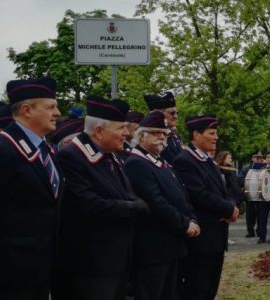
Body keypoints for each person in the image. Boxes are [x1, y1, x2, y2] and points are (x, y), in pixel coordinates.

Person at [52, 95, 149, 300]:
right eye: (120, 128)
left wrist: (132, 204)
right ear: (98, 131)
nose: (126, 133)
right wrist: (134, 208)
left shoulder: (110, 156)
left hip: (117, 260)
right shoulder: (72, 157)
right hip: (91, 265)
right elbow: (90, 205)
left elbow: (127, 194)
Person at [0, 78, 62, 300]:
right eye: (50, 107)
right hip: (8, 273)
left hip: (41, 268)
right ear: (27, 110)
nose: (57, 112)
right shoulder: (1, 148)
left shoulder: (45, 149)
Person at [124, 111, 199, 300]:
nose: (162, 138)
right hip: (153, 248)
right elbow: (155, 202)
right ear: (141, 135)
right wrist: (184, 224)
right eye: (156, 132)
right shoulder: (136, 163)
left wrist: (192, 218)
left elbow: (180, 195)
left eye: (164, 134)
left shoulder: (160, 162)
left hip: (170, 245)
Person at [174, 114, 239, 300]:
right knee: (198, 288)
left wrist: (231, 207)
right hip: (202, 238)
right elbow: (199, 194)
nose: (216, 137)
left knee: (210, 288)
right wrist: (228, 209)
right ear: (196, 134)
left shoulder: (207, 160)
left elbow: (223, 190)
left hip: (216, 236)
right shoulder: (185, 160)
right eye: (212, 133)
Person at [144, 92, 182, 163]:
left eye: (177, 113)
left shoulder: (173, 134)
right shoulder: (151, 137)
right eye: (172, 113)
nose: (176, 116)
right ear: (158, 114)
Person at [240, 152, 264, 238]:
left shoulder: (264, 167)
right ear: (252, 158)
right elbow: (240, 178)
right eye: (256, 157)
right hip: (250, 193)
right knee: (250, 214)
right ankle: (250, 231)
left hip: (261, 194)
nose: (258, 159)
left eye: (260, 158)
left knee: (261, 213)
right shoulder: (246, 167)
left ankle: (260, 231)